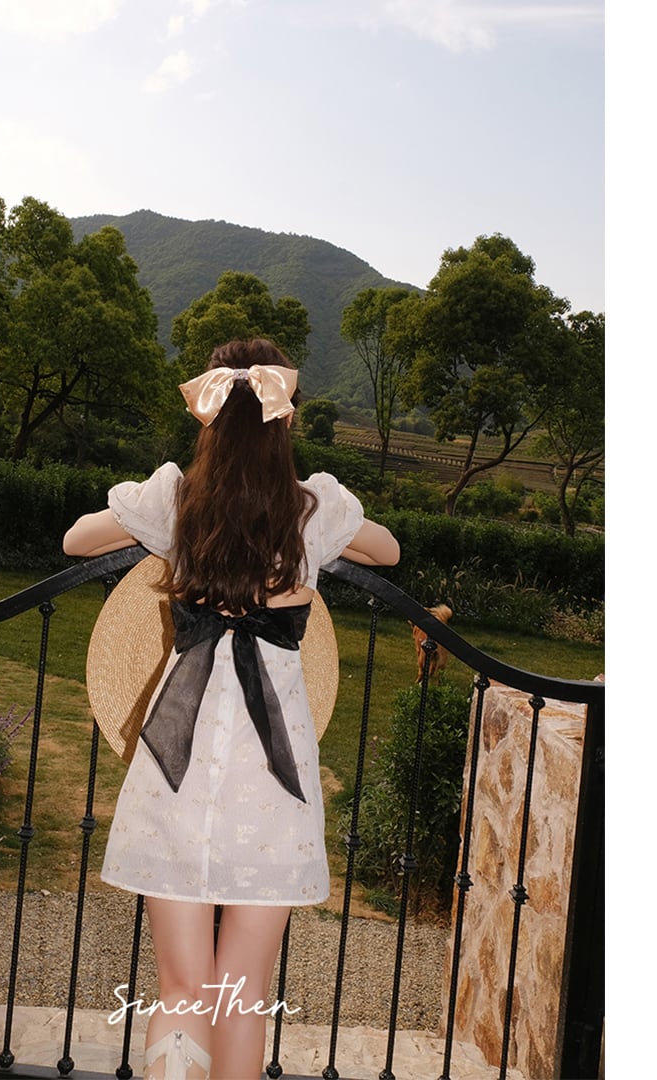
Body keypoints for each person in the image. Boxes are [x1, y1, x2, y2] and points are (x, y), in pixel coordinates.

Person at [63, 338, 400, 1080]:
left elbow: (77, 539)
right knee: (242, 995)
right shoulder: (313, 511)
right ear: (286, 417)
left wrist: (150, 514)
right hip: (272, 781)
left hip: (177, 771)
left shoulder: (178, 502)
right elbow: (389, 552)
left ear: (209, 417)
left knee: (182, 988)